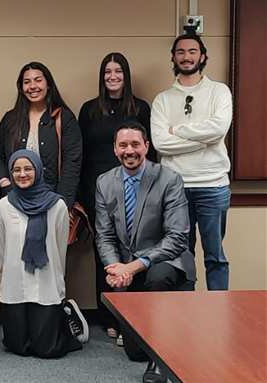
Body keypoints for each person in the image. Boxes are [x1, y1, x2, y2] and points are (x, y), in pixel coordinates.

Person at [95, 121, 196, 383]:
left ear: (147, 147)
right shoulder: (104, 182)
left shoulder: (169, 179)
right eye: (123, 145)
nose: (130, 150)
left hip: (167, 261)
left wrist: (135, 265)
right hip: (128, 266)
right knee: (134, 351)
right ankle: (165, 343)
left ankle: (159, 363)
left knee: (158, 278)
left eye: (136, 144)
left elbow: (177, 238)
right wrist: (115, 267)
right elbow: (104, 235)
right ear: (115, 150)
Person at [78, 52, 157, 344]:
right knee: (105, 247)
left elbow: (151, 152)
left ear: (126, 75)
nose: (113, 77)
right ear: (102, 77)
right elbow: (80, 153)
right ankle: (109, 315)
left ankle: (133, 315)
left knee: (135, 248)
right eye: (108, 72)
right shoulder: (89, 110)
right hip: (96, 188)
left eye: (118, 72)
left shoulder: (140, 108)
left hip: (135, 185)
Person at [151, 34, 233, 291]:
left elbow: (219, 129)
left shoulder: (219, 91)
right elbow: (160, 143)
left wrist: (177, 130)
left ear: (203, 56)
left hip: (213, 186)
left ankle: (218, 311)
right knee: (181, 256)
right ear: (174, 58)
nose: (187, 57)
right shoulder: (163, 99)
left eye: (192, 51)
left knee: (215, 256)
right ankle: (185, 314)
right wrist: (203, 141)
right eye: (181, 52)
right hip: (175, 187)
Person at [0, 149, 87, 359]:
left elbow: (61, 246)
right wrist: (6, 268)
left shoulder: (57, 205)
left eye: (28, 168)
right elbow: (0, 247)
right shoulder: (2, 207)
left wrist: (59, 279)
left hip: (46, 282)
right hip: (15, 283)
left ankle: (66, 319)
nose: (22, 174)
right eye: (16, 170)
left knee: (48, 350)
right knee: (18, 347)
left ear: (38, 170)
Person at [0, 61, 82, 209]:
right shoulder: (10, 119)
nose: (33, 86)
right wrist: (4, 183)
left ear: (48, 84)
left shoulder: (64, 118)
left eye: (38, 80)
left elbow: (72, 163)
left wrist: (62, 203)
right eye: (27, 82)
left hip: (52, 199)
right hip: (14, 199)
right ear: (21, 88)